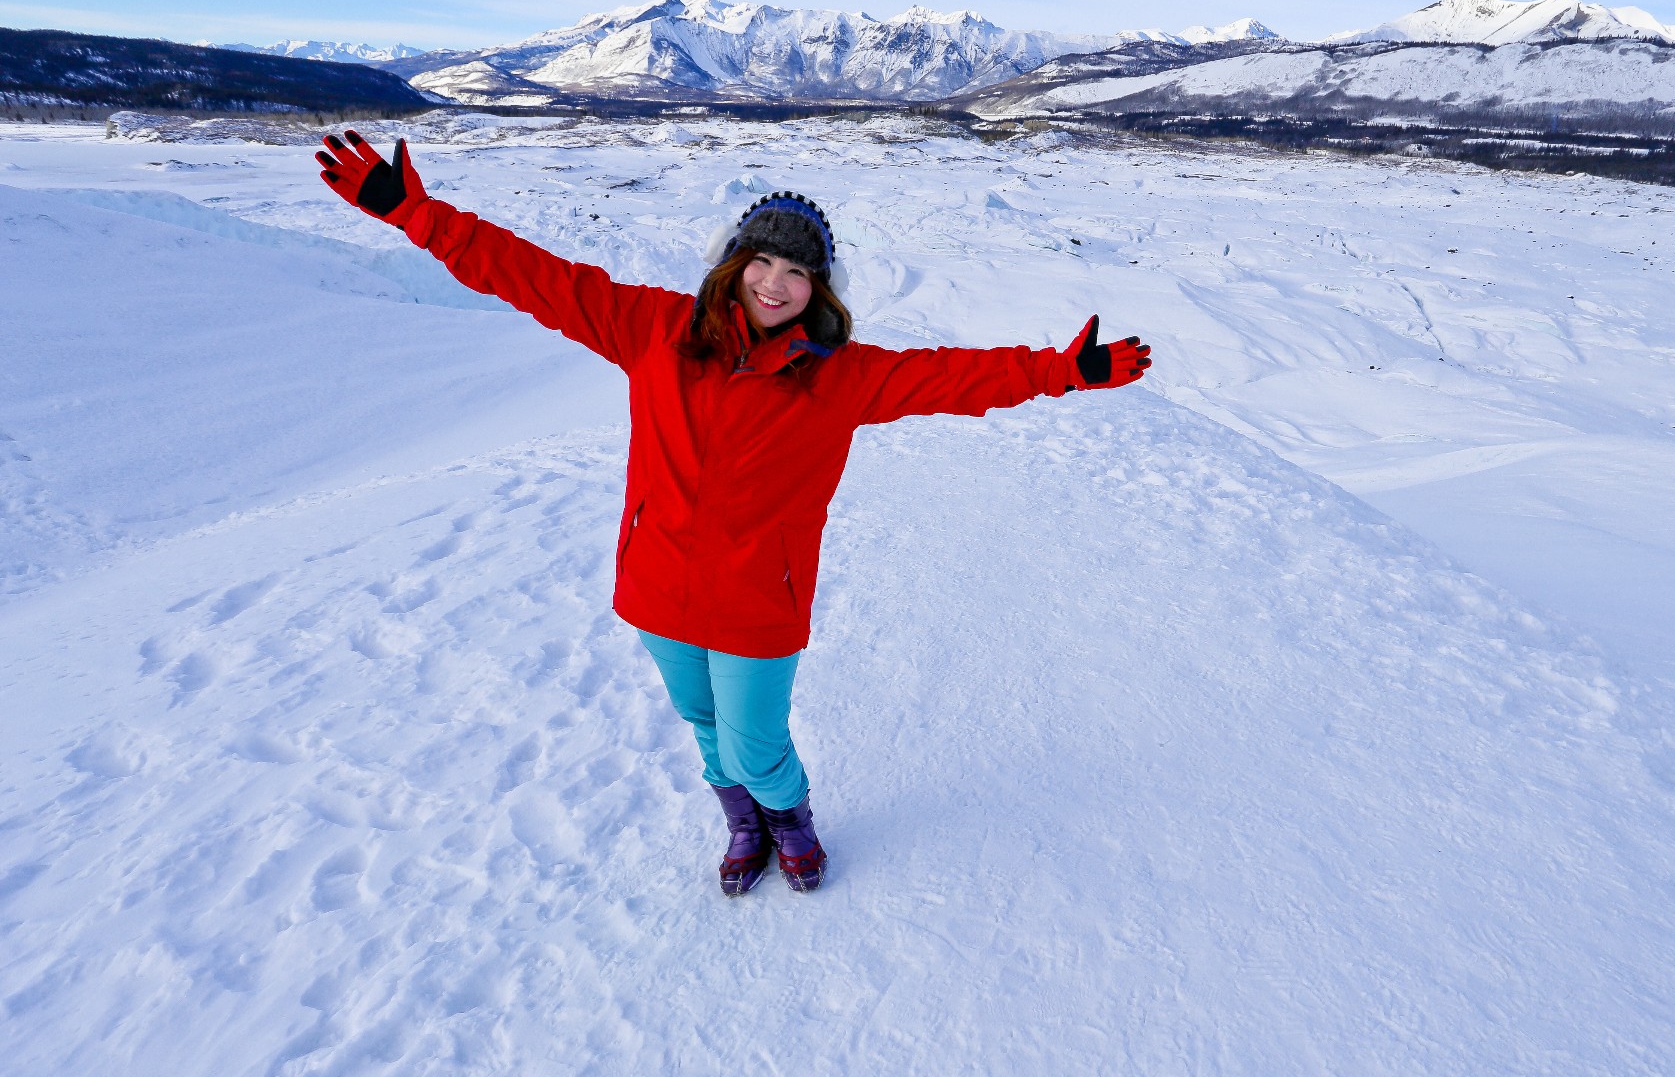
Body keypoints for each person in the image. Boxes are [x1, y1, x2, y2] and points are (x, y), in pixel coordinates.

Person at [314, 131, 1152, 896]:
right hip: (659, 588)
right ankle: (742, 821)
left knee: (756, 741)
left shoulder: (842, 376)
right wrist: (416, 216)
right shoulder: (653, 329)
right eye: (762, 263)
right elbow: (534, 276)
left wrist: (1061, 370)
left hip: (758, 598)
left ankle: (788, 816)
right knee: (705, 726)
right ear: (732, 262)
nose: (776, 284)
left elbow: (955, 378)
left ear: (818, 286)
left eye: (798, 272)